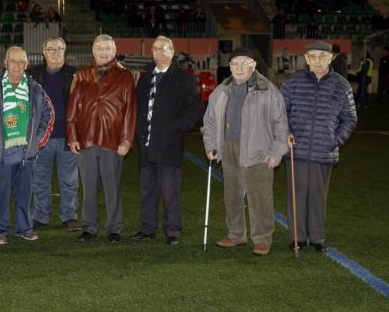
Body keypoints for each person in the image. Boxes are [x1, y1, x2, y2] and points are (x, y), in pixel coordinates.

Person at [202, 47, 288, 256]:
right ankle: (236, 234)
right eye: (234, 63)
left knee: (259, 196)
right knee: (231, 194)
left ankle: (262, 239)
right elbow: (210, 121)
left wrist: (277, 152)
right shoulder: (221, 90)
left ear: (253, 65)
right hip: (229, 147)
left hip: (258, 149)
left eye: (244, 63)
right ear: (229, 66)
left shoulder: (268, 90)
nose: (239, 68)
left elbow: (281, 125)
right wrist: (211, 144)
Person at [281, 40, 357, 252]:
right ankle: (298, 237)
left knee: (317, 196)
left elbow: (350, 118)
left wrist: (335, 140)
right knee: (297, 196)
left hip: (324, 151)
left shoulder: (341, 84)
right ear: (306, 58)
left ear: (331, 58)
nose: (317, 60)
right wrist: (287, 132)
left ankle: (317, 238)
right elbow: (280, 112)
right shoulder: (293, 82)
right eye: (313, 56)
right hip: (297, 150)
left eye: (322, 56)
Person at [0, 46, 54, 245]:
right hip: (1, 152)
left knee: (25, 193)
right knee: (0, 194)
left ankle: (24, 228)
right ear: (5, 63)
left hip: (26, 151)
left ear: (26, 64)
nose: (17, 65)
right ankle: (0, 229)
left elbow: (48, 114)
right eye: (13, 61)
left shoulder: (35, 89)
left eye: (21, 62)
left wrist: (38, 141)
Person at [131, 36, 203, 246]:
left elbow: (195, 109)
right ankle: (147, 228)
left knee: (170, 190)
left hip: (169, 144)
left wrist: (175, 126)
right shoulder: (145, 79)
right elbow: (138, 108)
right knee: (147, 189)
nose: (159, 53)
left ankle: (173, 230)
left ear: (172, 52)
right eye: (155, 49)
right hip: (146, 144)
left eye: (163, 49)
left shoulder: (185, 79)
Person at [67, 34, 136, 244]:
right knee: (88, 187)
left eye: (107, 48)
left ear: (114, 51)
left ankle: (114, 228)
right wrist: (72, 137)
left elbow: (130, 111)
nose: (103, 52)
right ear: (93, 51)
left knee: (112, 187)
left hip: (112, 140)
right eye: (99, 48)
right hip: (86, 139)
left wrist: (126, 140)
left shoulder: (125, 77)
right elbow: (72, 110)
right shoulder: (81, 75)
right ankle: (89, 227)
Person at [27, 37, 79, 231]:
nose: (55, 52)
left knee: (69, 180)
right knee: (39, 179)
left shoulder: (76, 75)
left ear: (65, 51)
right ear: (44, 52)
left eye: (59, 49)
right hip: (41, 138)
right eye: (51, 49)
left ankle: (69, 215)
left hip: (68, 137)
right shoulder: (32, 75)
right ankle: (40, 215)